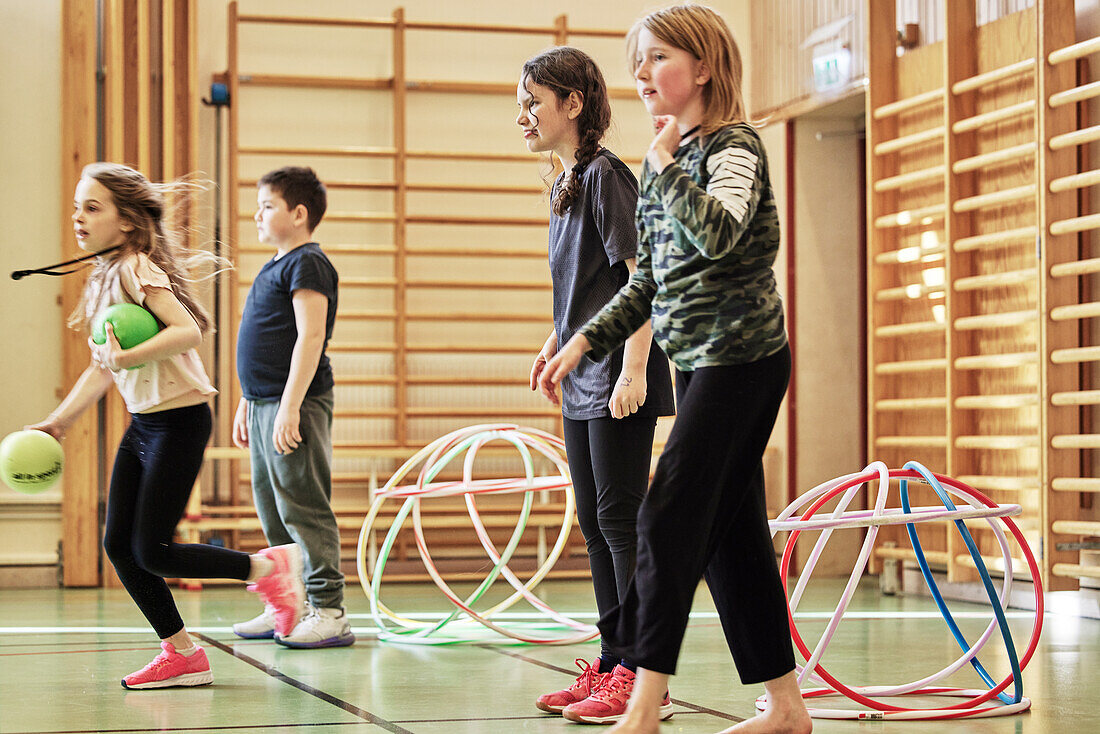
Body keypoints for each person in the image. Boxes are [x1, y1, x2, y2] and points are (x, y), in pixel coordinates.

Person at [540, 5, 813, 734]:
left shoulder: (733, 149)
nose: (642, 74)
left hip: (745, 363)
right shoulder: (665, 162)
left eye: (658, 57)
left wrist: (664, 166)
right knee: (731, 537)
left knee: (667, 518)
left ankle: (642, 703)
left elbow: (722, 236)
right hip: (697, 364)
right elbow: (647, 283)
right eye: (638, 61)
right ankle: (786, 707)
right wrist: (583, 343)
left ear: (706, 67)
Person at [28, 162, 305, 689]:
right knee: (119, 546)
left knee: (151, 549)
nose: (78, 217)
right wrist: (58, 423)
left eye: (93, 207)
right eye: (77, 207)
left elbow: (187, 331)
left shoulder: (137, 268)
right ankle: (181, 653)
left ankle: (270, 571)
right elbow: (102, 366)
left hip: (179, 423)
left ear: (128, 222)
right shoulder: (104, 276)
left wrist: (129, 357)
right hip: (144, 425)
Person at [517, 46, 675, 725]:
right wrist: (555, 342)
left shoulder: (609, 175)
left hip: (618, 374)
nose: (522, 116)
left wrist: (635, 369)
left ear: (572, 104)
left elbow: (644, 279)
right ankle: (613, 663)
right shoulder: (567, 182)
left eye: (533, 103)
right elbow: (589, 288)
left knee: (620, 522)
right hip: (582, 374)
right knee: (595, 523)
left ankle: (645, 679)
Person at [231, 166, 353, 649]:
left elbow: (310, 336)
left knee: (303, 503)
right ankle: (288, 603)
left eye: (267, 206)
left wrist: (289, 406)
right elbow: (267, 341)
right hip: (264, 404)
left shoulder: (308, 264)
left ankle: (329, 609)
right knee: (272, 505)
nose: (257, 215)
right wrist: (249, 400)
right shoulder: (275, 265)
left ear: (298, 214)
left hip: (293, 405)